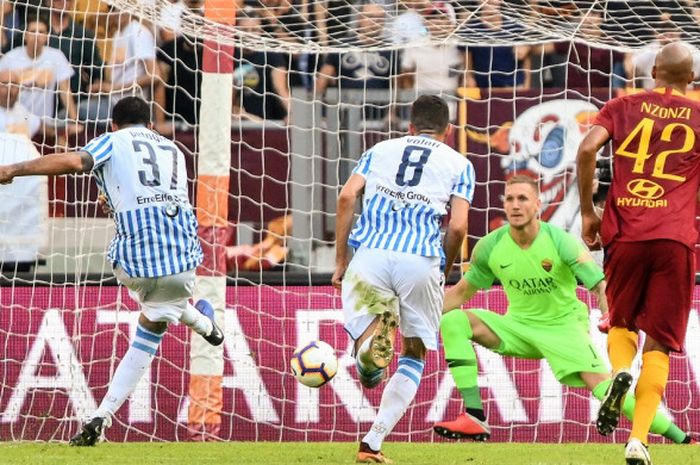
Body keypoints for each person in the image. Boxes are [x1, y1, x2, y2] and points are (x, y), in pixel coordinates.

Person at [0, 96, 224, 446]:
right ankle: (203, 322)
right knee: (159, 314)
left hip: (132, 262)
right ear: (151, 125)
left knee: (156, 312)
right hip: (185, 257)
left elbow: (76, 161)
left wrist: (15, 169)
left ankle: (100, 417)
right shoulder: (174, 150)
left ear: (113, 126)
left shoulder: (112, 140)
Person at [433, 176, 695, 451]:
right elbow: (462, 292)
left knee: (607, 392)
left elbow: (599, 285)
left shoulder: (561, 241)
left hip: (564, 328)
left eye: (522, 198)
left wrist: (608, 317)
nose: (515, 205)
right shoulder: (489, 246)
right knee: (454, 321)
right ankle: (474, 416)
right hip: (518, 326)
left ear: (537, 204)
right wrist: (420, 317)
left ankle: (684, 440)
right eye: (509, 199)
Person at [576, 42, 700, 465]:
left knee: (621, 322)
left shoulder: (622, 104)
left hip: (625, 233)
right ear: (692, 79)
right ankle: (639, 440)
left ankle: (618, 373)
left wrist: (589, 213)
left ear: (653, 74)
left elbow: (588, 149)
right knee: (661, 344)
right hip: (675, 240)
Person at [333, 95, 474, 463]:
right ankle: (373, 443)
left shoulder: (380, 149)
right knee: (414, 353)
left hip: (371, 255)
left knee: (367, 366)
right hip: (420, 259)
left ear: (409, 126)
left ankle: (368, 354)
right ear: (449, 131)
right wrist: (443, 269)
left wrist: (340, 260)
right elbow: (458, 225)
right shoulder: (459, 163)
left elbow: (348, 196)